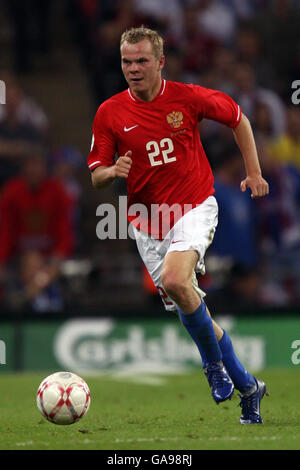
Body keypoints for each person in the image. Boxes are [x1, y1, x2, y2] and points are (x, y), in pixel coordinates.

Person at [87, 26, 269, 424]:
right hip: (147, 221)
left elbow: (239, 119)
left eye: (141, 61)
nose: (133, 69)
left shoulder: (186, 98)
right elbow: (96, 174)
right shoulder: (109, 112)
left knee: (173, 280)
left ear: (160, 62)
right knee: (186, 298)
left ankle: (211, 367)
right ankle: (249, 386)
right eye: (126, 62)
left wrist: (253, 173)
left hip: (195, 205)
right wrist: (111, 171)